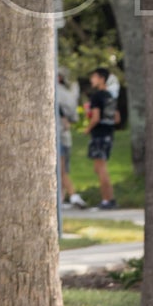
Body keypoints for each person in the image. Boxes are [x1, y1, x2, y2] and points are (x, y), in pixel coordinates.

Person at [84, 67, 119, 208]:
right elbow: (117, 118)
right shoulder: (110, 96)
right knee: (99, 168)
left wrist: (87, 129)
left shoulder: (97, 96)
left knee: (100, 168)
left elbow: (96, 118)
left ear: (101, 79)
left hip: (99, 135)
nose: (92, 80)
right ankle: (110, 198)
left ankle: (107, 200)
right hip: (109, 134)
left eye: (94, 77)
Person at [56, 69, 84, 208]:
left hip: (57, 136)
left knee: (59, 170)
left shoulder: (54, 92)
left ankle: (74, 196)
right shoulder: (69, 94)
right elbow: (74, 117)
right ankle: (60, 199)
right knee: (63, 169)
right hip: (66, 137)